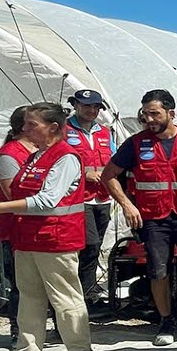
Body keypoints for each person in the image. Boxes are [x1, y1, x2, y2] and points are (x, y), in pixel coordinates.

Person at [0, 102, 93, 351]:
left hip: (56, 239)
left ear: (53, 128)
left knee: (64, 297)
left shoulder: (65, 157)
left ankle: (78, 347)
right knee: (29, 298)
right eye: (24, 124)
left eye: (30, 125)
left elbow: (48, 199)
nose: (23, 130)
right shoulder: (36, 156)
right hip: (28, 239)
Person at [100, 89, 177, 345]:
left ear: (171, 113)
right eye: (145, 114)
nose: (149, 119)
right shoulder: (135, 143)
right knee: (158, 271)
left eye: (154, 114)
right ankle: (166, 321)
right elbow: (108, 175)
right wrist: (127, 205)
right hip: (154, 218)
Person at [0, 106, 37, 349]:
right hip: (16, 230)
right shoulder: (8, 156)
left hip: (41, 229)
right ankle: (18, 332)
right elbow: (13, 194)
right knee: (22, 285)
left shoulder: (40, 152)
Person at [64, 89, 115, 307]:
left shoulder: (104, 132)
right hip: (78, 197)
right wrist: (84, 174)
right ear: (76, 105)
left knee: (96, 245)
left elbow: (113, 158)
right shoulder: (64, 130)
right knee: (88, 243)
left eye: (96, 107)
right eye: (87, 106)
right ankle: (84, 292)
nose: (92, 110)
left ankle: (88, 289)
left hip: (102, 197)